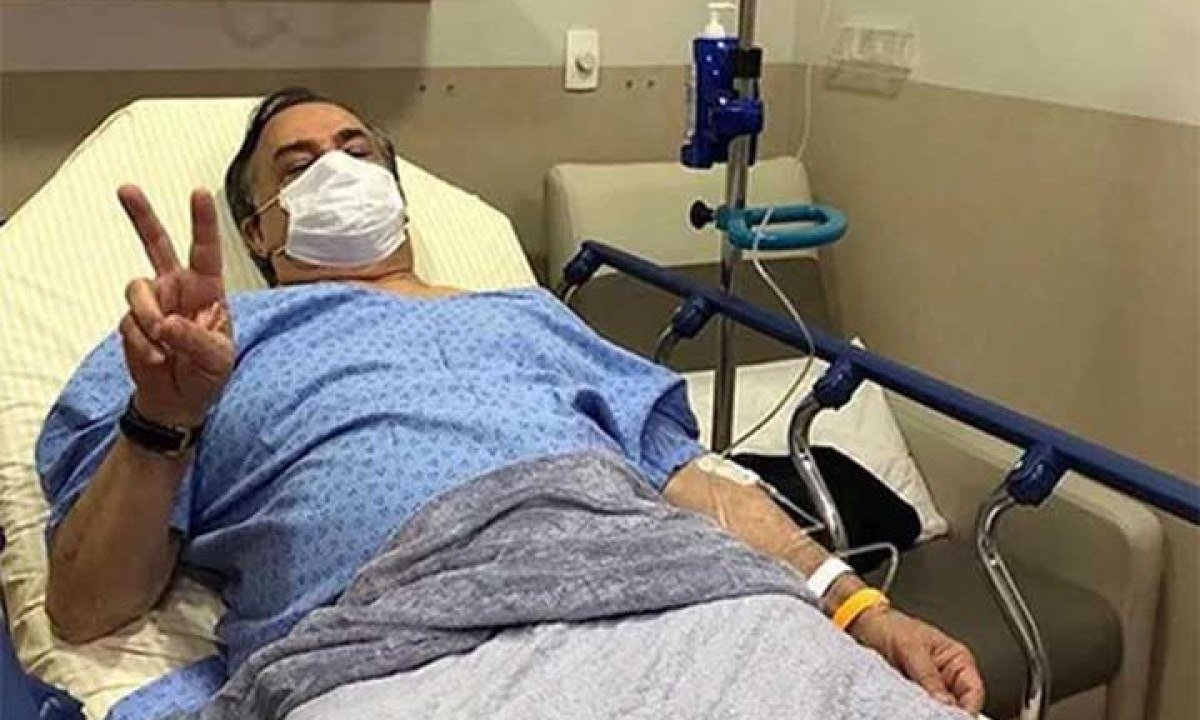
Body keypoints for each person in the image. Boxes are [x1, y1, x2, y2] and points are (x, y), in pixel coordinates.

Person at [37, 88, 984, 719]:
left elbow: (691, 481)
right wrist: (164, 418)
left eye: (356, 150)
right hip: (401, 658)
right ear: (258, 229)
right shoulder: (199, 339)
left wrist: (862, 609)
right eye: (298, 165)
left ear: (397, 193)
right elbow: (84, 610)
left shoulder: (528, 313)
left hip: (690, 602)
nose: (337, 167)